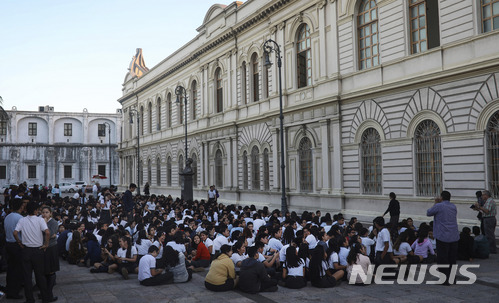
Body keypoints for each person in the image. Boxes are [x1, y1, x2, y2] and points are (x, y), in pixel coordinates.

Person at [13, 201, 51, 303]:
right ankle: (45, 298)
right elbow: (47, 232)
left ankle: (30, 299)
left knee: (27, 277)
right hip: (38, 250)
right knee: (40, 276)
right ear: (35, 210)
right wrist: (46, 244)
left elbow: (15, 232)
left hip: (26, 250)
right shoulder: (40, 220)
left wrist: (19, 242)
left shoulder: (22, 220)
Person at [427, 191, 459, 285]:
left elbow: (429, 212)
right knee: (452, 259)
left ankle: (444, 279)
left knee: (443, 258)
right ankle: (452, 278)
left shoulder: (439, 206)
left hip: (442, 235)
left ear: (441, 197)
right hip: (453, 235)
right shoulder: (453, 206)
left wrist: (436, 203)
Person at [3, 199, 24, 299]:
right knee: (17, 269)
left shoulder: (8, 216)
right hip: (17, 245)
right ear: (21, 206)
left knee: (11, 269)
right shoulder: (19, 218)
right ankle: (14, 291)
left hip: (8, 244)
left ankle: (10, 288)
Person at [41, 206, 60, 302]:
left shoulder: (53, 222)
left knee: (51, 271)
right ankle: (44, 292)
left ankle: (49, 293)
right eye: (43, 212)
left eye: (47, 212)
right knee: (44, 271)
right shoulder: (40, 221)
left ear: (50, 213)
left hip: (51, 248)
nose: (44, 214)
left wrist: (44, 224)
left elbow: (51, 233)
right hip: (42, 248)